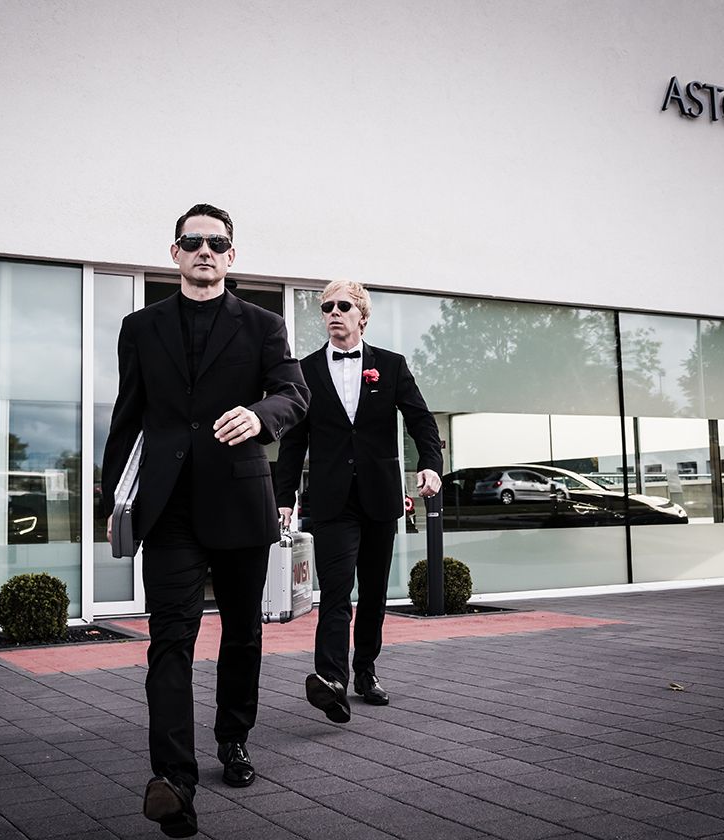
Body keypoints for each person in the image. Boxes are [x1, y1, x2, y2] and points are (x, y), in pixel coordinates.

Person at [100, 203, 309, 838]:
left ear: (231, 255)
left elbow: (294, 394)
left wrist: (260, 416)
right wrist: (116, 501)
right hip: (168, 510)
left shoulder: (263, 325)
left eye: (216, 243)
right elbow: (127, 417)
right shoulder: (140, 327)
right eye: (193, 242)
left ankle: (234, 737)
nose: (205, 251)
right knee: (170, 639)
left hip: (240, 504)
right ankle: (173, 780)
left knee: (242, 634)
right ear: (175, 253)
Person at [274, 279, 443, 723]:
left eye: (343, 306)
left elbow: (421, 420)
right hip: (331, 501)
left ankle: (365, 670)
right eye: (326, 306)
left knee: (372, 592)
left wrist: (430, 465)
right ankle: (331, 681)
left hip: (379, 496)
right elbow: (293, 441)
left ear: (362, 316)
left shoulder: (391, 365)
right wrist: (284, 497)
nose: (333, 312)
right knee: (334, 591)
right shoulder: (306, 370)